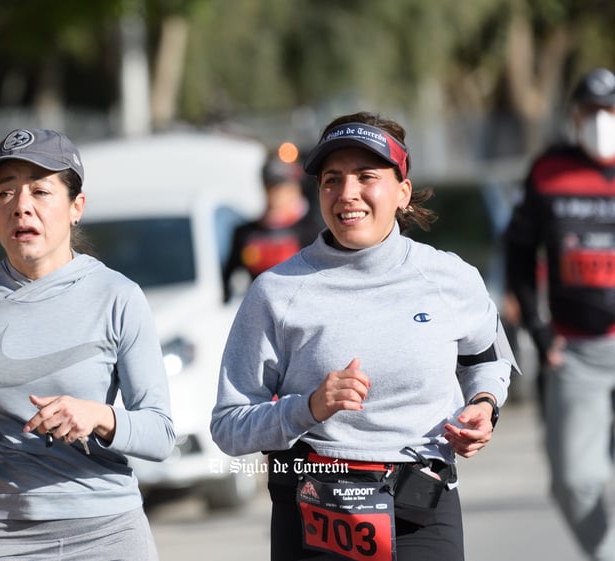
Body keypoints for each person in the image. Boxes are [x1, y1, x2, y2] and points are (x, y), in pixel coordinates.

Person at [211, 111, 517, 561]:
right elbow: (228, 427)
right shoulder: (276, 292)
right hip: (314, 513)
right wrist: (308, 408)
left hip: (422, 507)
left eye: (366, 176)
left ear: (402, 192)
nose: (346, 193)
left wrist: (484, 405)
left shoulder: (449, 278)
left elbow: (488, 360)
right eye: (332, 179)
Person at [0, 128, 175, 561]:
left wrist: (99, 417)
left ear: (77, 208)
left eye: (40, 191)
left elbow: (161, 434)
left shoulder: (118, 297)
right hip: (0, 534)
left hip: (108, 532)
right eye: (5, 194)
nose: (21, 206)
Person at [503, 67, 615, 561]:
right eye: (591, 111)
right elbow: (520, 254)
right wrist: (540, 330)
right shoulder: (549, 171)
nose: (601, 121)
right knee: (575, 480)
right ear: (574, 116)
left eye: (609, 111)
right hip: (576, 351)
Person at [222, 150, 321, 302]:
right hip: (260, 311)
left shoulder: (312, 232)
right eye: (270, 187)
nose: (275, 195)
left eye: (281, 188)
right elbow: (227, 279)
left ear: (295, 189)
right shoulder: (246, 233)